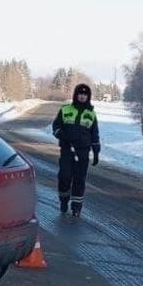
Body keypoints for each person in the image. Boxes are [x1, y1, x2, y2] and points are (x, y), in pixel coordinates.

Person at [51, 82, 100, 217]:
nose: (82, 96)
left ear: (88, 97)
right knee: (65, 176)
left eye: (85, 94)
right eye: (80, 94)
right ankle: (64, 200)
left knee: (79, 180)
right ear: (76, 95)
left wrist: (96, 152)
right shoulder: (66, 109)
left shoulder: (91, 114)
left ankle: (76, 207)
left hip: (83, 152)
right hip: (67, 150)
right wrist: (60, 134)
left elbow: (95, 134)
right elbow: (56, 126)